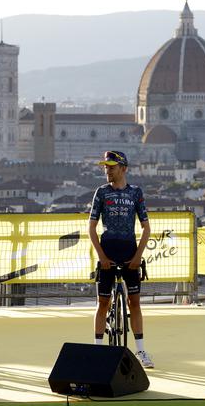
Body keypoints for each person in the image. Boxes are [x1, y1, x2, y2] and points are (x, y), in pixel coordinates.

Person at [89, 151, 154, 368]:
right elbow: (91, 228)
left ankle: (141, 350)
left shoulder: (136, 192)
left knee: (134, 303)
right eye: (105, 167)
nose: (107, 170)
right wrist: (101, 256)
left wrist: (138, 256)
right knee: (103, 303)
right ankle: (97, 349)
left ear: (123, 169)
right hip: (107, 250)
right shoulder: (101, 192)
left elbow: (146, 228)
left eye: (111, 167)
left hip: (129, 252)